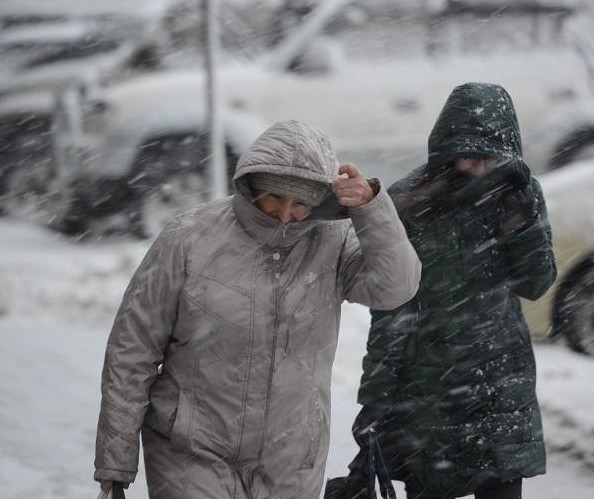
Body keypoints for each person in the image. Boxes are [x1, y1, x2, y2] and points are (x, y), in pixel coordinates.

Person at [93, 119, 421, 498]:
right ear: (250, 186)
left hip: (291, 456)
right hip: (190, 450)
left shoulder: (333, 240)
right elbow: (133, 350)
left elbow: (397, 287)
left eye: (301, 203)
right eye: (274, 198)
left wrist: (372, 210)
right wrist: (116, 458)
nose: (285, 214)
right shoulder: (188, 239)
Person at [342, 82, 557, 499]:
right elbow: (393, 307)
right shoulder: (409, 200)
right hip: (427, 388)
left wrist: (521, 217)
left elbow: (537, 282)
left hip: (499, 383)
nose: (480, 164)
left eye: (490, 155)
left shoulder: (519, 193)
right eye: (469, 152)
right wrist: (374, 401)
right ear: (446, 146)